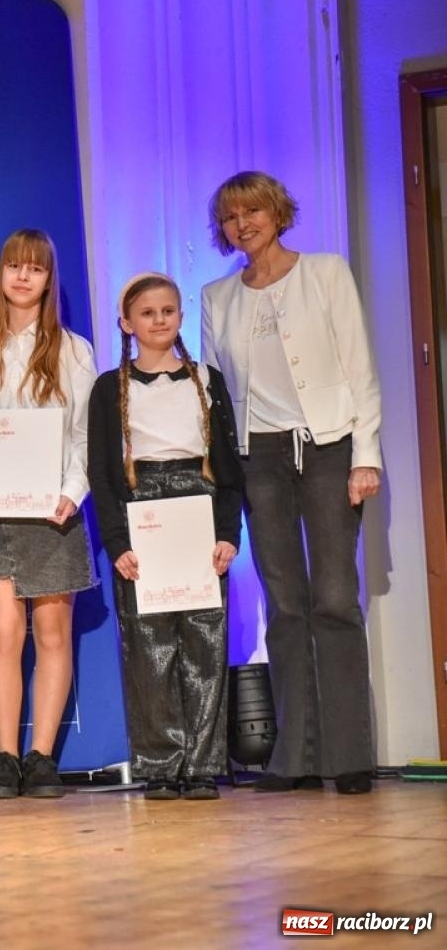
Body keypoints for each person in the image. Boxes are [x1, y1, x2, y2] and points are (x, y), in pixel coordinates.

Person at [200, 171, 382, 795]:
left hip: (329, 448)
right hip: (262, 460)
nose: (242, 223)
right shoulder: (216, 298)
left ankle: (349, 754)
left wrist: (368, 455)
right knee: (284, 604)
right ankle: (295, 759)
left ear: (278, 212)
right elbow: (217, 395)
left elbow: (360, 368)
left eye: (252, 210)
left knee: (333, 597)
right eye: (230, 217)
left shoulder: (326, 273)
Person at [0, 228, 97, 800]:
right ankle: (5, 756)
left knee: (54, 630)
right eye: (14, 265)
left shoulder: (74, 351)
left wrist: (72, 491)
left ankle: (42, 757)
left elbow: (85, 436)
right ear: (1, 275)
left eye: (35, 268)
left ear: (49, 279)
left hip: (56, 511)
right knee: (5, 630)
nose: (24, 276)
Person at [88, 272, 243, 800]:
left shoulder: (206, 379)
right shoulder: (110, 388)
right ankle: (159, 765)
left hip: (198, 508)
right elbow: (103, 474)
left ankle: (201, 765)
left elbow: (228, 468)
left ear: (180, 317)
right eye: (148, 313)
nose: (159, 320)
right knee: (149, 644)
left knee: (205, 639)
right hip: (141, 511)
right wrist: (117, 542)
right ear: (127, 323)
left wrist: (228, 533)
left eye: (169, 311)